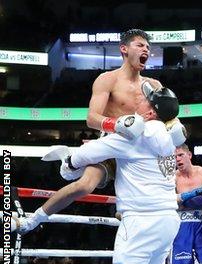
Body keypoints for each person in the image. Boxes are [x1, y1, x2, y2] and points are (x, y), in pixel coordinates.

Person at [56, 89, 202, 264]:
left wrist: (67, 161)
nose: (138, 101)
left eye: (144, 100)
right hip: (166, 218)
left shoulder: (134, 136)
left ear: (150, 111)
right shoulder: (167, 139)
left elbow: (89, 154)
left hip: (142, 219)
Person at [12, 29, 166, 234]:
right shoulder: (107, 80)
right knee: (85, 186)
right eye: (140, 45)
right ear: (124, 49)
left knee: (152, 196)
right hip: (114, 142)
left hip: (141, 150)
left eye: (148, 47)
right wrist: (118, 124)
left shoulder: (154, 85)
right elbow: (92, 119)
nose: (145, 49)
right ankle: (32, 220)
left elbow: (166, 117)